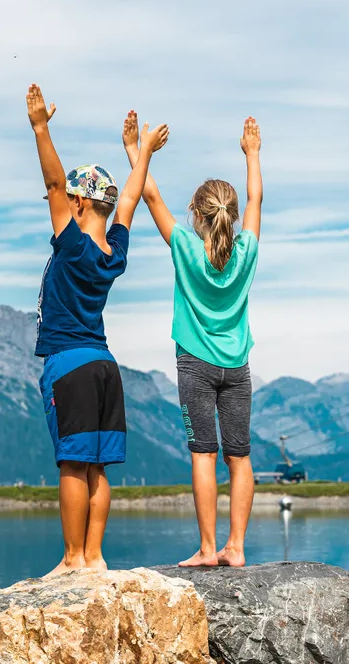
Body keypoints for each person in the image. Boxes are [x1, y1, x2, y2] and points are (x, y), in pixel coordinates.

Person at [28, 84, 168, 576]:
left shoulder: (71, 246)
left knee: (71, 462)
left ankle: (71, 560)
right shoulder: (115, 253)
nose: (63, 203)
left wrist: (41, 128)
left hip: (70, 364)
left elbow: (50, 181)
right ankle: (95, 556)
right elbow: (129, 196)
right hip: (107, 367)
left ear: (80, 206)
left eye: (69, 200)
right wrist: (142, 152)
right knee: (98, 467)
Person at [124, 111, 262, 567]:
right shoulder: (245, 252)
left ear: (197, 216)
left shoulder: (184, 246)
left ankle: (207, 549)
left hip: (195, 367)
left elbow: (149, 196)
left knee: (203, 454)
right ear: (232, 215)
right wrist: (252, 153)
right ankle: (236, 548)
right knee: (239, 457)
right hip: (236, 366)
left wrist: (136, 151)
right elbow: (258, 197)